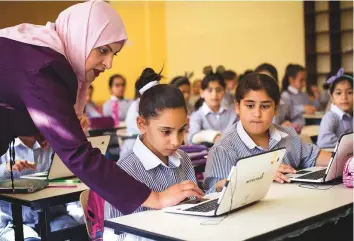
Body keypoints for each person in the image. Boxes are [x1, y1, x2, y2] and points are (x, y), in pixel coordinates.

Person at [0, 0, 203, 216]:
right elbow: (78, 154)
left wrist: (40, 130)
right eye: (103, 50)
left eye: (113, 54)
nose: (109, 64)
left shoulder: (38, 52)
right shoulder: (43, 68)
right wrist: (158, 198)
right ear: (81, 38)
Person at [105, 68, 198, 240]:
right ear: (142, 124)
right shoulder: (124, 172)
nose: (176, 142)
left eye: (181, 130)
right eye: (166, 132)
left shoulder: (183, 159)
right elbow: (117, 236)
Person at [203, 73, 331, 193]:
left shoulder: (288, 136)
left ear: (275, 109)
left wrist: (347, 159)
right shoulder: (223, 148)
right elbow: (213, 189)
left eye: (265, 106)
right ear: (237, 107)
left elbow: (315, 156)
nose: (257, 114)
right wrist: (259, 176)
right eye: (250, 106)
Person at [0, 137, 82, 241]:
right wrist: (6, 169)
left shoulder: (53, 143)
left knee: (78, 234)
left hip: (54, 216)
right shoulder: (4, 145)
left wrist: (70, 139)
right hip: (12, 222)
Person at [188, 66, 237, 145]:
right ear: (202, 93)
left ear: (224, 91)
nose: (214, 95)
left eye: (218, 90)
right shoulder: (197, 115)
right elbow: (192, 137)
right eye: (210, 90)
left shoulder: (233, 113)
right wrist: (213, 136)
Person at [317, 69, 353, 148]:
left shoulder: (351, 115)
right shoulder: (330, 117)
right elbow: (324, 141)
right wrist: (350, 143)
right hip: (336, 159)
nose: (344, 97)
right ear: (332, 98)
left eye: (350, 92)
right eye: (338, 93)